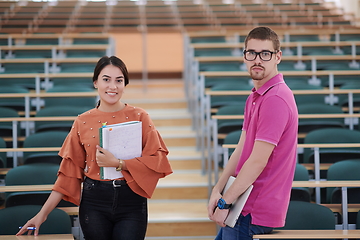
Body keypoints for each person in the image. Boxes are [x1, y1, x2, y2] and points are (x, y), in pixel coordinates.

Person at [17, 56, 173, 240]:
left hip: (132, 201)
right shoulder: (82, 121)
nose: (112, 86)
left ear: (125, 84)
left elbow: (157, 160)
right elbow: (68, 173)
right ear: (95, 82)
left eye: (119, 81)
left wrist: (119, 163)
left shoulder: (140, 116)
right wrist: (41, 215)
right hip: (94, 202)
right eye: (106, 79)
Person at [208, 26, 298, 240]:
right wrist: (217, 190)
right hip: (240, 205)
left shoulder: (275, 99)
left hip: (252, 211)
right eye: (252, 53)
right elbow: (240, 150)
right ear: (245, 56)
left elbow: (257, 162)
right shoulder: (257, 96)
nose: (257, 60)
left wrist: (225, 201)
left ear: (278, 57)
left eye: (265, 54)